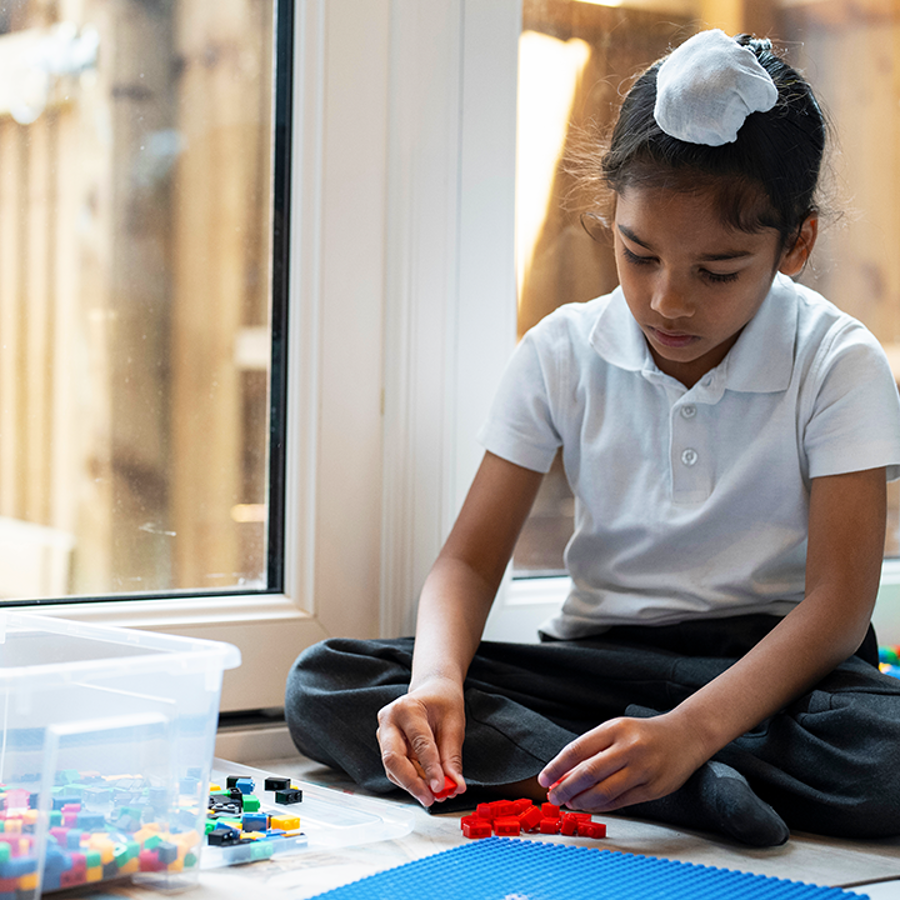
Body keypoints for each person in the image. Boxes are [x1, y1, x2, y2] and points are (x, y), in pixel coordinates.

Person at [285, 30, 900, 847]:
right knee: (327, 680)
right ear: (610, 215)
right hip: (598, 669)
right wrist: (437, 683)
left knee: (886, 752)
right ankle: (674, 793)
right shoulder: (561, 351)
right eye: (638, 253)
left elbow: (835, 611)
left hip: (770, 679)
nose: (667, 301)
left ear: (797, 245)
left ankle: (643, 772)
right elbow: (467, 561)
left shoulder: (838, 359)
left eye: (718, 271)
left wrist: (692, 729)